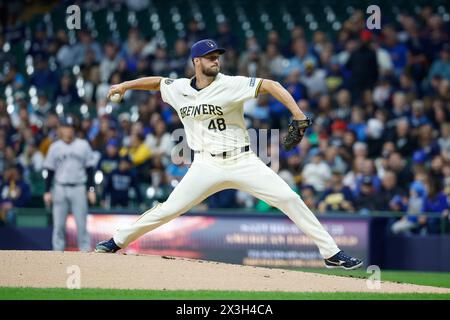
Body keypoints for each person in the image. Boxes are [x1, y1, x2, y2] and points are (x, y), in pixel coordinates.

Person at [95, 39, 363, 270]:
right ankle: (116, 241)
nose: (216, 61)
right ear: (196, 61)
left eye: (218, 57)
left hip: (242, 160)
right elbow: (157, 83)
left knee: (288, 198)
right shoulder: (179, 88)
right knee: (167, 210)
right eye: (210, 57)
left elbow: (271, 84)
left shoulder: (231, 84)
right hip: (205, 164)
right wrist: (126, 85)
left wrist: (298, 115)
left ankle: (331, 253)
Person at [43, 116, 97, 252]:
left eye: (71, 127)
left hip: (78, 187)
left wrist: (91, 189)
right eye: (66, 127)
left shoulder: (83, 145)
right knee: (58, 225)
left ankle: (85, 252)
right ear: (60, 129)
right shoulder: (55, 147)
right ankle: (57, 253)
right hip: (60, 187)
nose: (68, 130)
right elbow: (49, 170)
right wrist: (47, 191)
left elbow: (90, 169)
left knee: (81, 224)